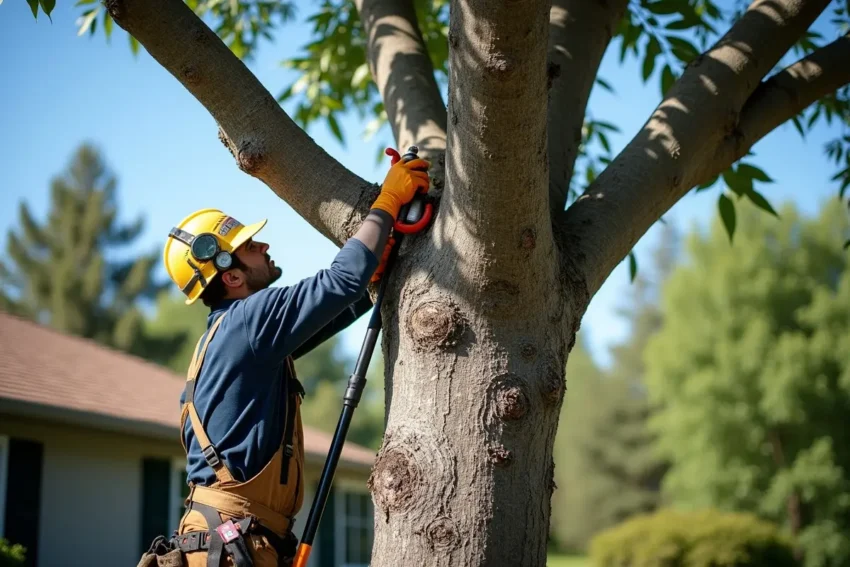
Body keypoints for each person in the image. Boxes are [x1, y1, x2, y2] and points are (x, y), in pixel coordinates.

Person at [138, 151, 430, 567]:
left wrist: (369, 276)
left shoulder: (229, 337)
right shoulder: (246, 323)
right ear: (232, 276)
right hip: (231, 543)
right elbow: (339, 281)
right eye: (250, 246)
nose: (264, 245)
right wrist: (387, 201)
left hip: (231, 539)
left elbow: (332, 304)